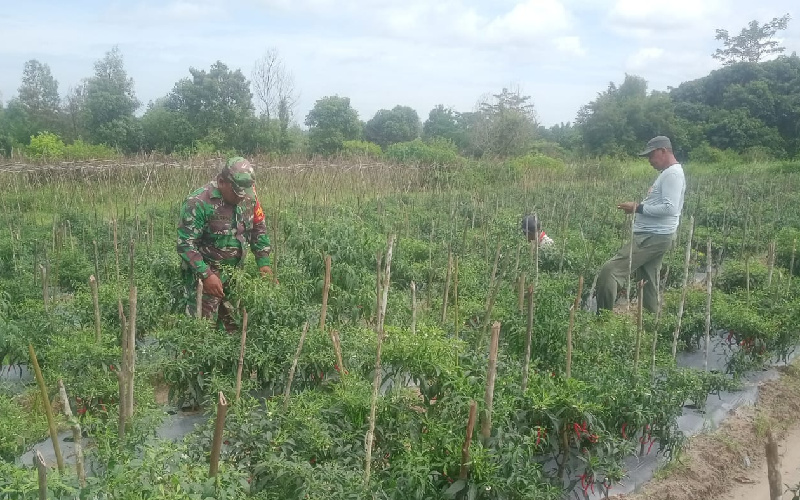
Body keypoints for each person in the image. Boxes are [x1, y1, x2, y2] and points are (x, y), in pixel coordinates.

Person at [177, 157, 274, 330]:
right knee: (200, 332)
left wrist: (263, 262)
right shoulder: (198, 202)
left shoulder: (248, 196)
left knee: (233, 330)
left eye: (245, 192)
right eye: (236, 192)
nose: (241, 197)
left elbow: (258, 227)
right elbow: (186, 244)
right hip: (203, 281)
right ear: (222, 182)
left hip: (235, 278)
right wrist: (206, 275)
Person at [596, 136, 685, 314]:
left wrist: (638, 208)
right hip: (657, 235)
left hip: (652, 236)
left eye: (651, 155)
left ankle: (602, 319)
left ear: (663, 151)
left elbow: (670, 208)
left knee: (610, 271)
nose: (650, 161)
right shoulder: (668, 173)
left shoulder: (672, 174)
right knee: (648, 281)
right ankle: (652, 321)